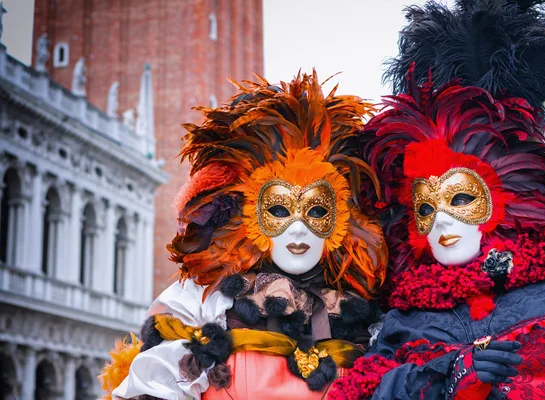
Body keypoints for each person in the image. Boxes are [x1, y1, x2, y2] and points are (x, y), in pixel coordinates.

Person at [329, 0, 545, 398]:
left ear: (506, 199)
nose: (440, 221)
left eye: (459, 198)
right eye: (425, 208)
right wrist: (447, 375)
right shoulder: (404, 320)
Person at [99, 71, 388, 400]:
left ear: (341, 220)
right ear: (249, 215)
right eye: (279, 210)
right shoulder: (209, 302)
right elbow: (160, 382)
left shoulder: (363, 316)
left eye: (316, 211)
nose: (298, 228)